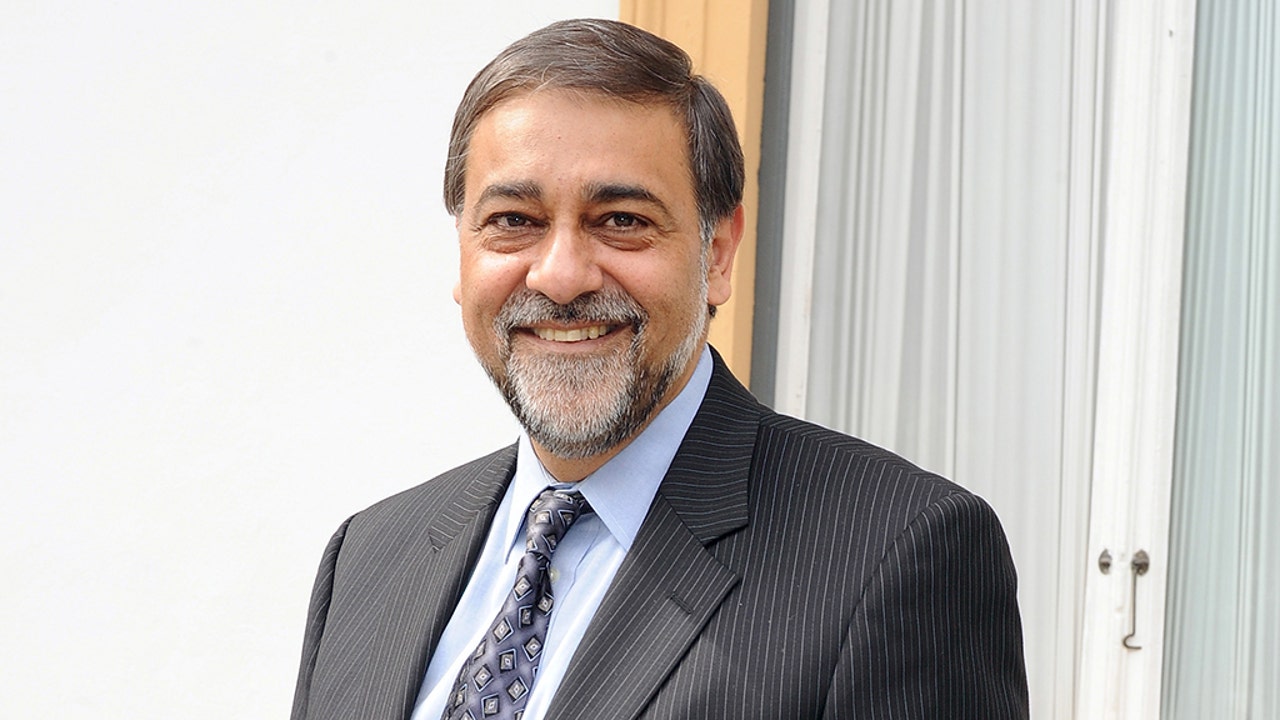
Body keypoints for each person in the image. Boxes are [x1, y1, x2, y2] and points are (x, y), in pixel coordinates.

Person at [291, 18, 1028, 720]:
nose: (561, 276)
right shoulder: (368, 560)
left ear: (718, 254)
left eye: (622, 221)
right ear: (462, 253)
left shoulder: (895, 551)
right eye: (514, 221)